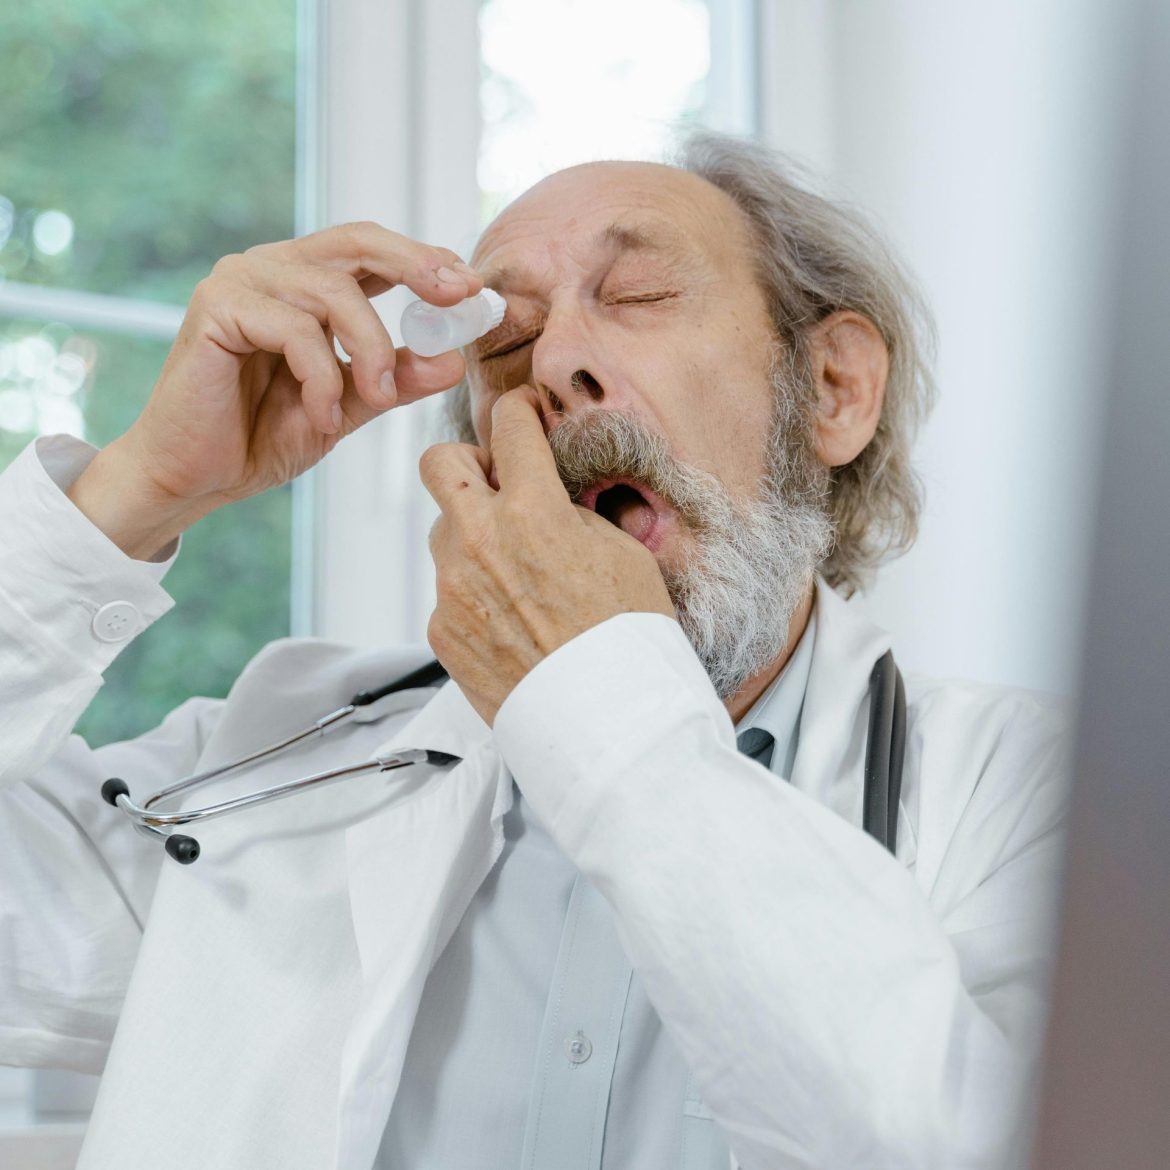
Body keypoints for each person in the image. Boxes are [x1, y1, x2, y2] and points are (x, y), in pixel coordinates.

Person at [0, 132, 1070, 1170]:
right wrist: (136, 489)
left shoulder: (1035, 792)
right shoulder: (269, 764)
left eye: (641, 298)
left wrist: (599, 705)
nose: (553, 363)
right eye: (502, 342)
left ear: (833, 388)